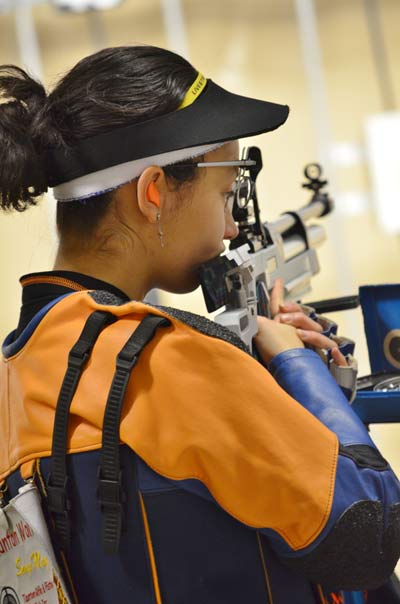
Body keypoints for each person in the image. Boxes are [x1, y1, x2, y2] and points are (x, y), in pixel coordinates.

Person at [0, 45, 399, 604]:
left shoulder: (18, 366)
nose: (234, 227)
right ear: (154, 192)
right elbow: (367, 534)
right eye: (226, 191)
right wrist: (293, 363)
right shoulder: (169, 361)